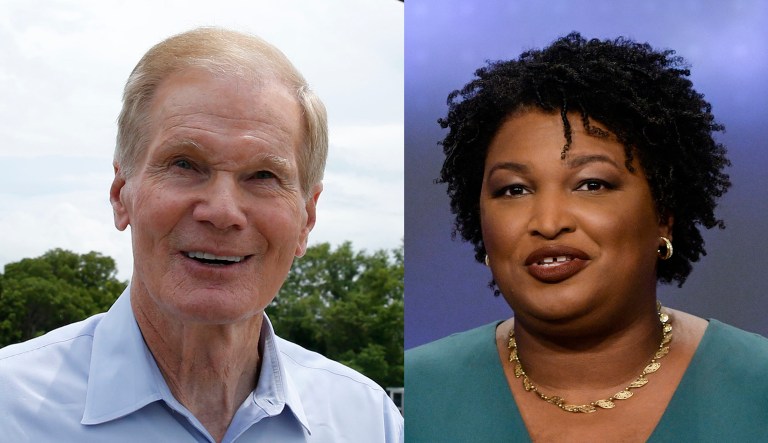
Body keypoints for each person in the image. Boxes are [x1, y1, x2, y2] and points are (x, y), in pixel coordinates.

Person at [0, 27, 403, 442]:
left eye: (263, 175)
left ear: (307, 218)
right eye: (185, 165)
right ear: (122, 195)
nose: (223, 212)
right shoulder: (9, 408)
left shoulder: (370, 422)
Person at [405, 33, 768, 442]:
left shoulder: (758, 387)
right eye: (514, 189)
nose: (548, 221)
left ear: (663, 217)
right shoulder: (416, 395)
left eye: (591, 184)